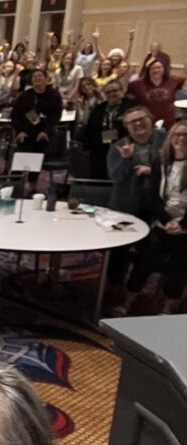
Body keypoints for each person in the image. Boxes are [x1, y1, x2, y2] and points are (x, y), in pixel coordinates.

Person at [113, 121, 187, 316]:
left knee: (179, 267)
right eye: (177, 135)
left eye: (185, 136)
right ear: (170, 139)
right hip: (163, 221)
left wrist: (183, 225)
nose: (181, 139)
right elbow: (153, 196)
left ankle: (168, 307)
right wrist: (165, 220)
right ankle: (127, 302)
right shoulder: (161, 162)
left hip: (185, 226)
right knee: (144, 261)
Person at [106, 105, 164, 290]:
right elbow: (116, 177)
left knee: (149, 251)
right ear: (127, 126)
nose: (138, 124)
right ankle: (112, 287)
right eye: (132, 122)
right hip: (126, 205)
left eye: (141, 119)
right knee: (119, 250)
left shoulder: (165, 140)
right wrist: (126, 159)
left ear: (151, 120)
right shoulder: (119, 146)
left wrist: (151, 171)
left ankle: (135, 287)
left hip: (156, 206)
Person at [82, 79, 134, 179]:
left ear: (122, 91)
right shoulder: (99, 109)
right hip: (100, 150)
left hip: (124, 147)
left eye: (114, 91)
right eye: (108, 92)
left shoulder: (132, 107)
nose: (111, 94)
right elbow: (90, 130)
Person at [11, 68, 63, 159]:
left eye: (40, 76)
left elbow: (55, 116)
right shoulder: (24, 95)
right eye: (34, 76)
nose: (37, 78)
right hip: (26, 133)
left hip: (46, 133)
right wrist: (20, 131)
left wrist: (45, 131)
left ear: (46, 79)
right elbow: (15, 114)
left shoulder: (54, 95)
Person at [127, 60, 185, 129]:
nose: (156, 70)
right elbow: (123, 89)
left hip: (169, 123)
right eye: (153, 68)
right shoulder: (137, 84)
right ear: (148, 70)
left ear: (164, 69)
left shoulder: (173, 80)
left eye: (159, 68)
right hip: (147, 124)